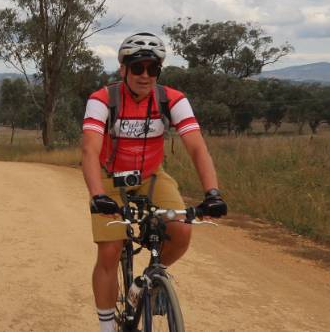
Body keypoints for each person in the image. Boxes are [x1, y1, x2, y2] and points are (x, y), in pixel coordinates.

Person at [81, 32, 228, 332]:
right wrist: (97, 195)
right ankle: (107, 327)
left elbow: (197, 147)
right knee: (110, 249)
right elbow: (89, 151)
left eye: (153, 69)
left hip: (150, 175)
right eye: (138, 67)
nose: (145, 75)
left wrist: (212, 193)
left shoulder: (172, 99)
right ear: (123, 69)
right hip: (110, 178)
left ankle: (147, 283)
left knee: (181, 230)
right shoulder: (102, 100)